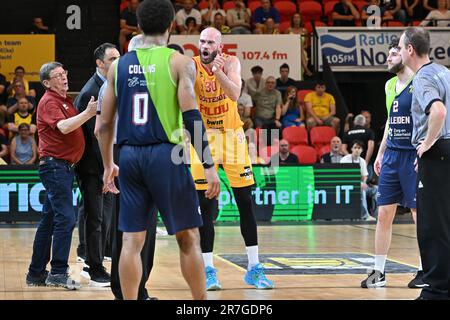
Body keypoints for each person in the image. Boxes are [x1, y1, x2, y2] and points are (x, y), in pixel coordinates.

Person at [97, 0, 220, 300]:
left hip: (129, 157)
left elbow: (103, 125)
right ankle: (200, 304)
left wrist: (108, 164)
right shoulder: (180, 62)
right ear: (170, 26)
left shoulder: (118, 66)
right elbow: (192, 117)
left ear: (138, 27)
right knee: (188, 236)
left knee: (131, 241)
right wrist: (208, 165)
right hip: (166, 155)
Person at [190, 26, 274, 291]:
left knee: (245, 202)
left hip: (232, 135)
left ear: (220, 47)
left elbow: (235, 94)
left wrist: (217, 72)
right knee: (205, 206)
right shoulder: (190, 66)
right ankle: (208, 269)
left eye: (210, 43)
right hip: (202, 136)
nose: (205, 46)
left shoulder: (231, 63)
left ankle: (254, 267)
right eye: (202, 41)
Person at [94, 34, 159, 300]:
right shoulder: (116, 82)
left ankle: (137, 288)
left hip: (138, 155)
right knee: (131, 229)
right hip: (130, 154)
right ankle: (128, 290)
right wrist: (109, 164)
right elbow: (101, 129)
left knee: (144, 228)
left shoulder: (143, 81)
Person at [26, 62, 97, 289]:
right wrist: (88, 113)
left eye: (64, 73)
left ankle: (36, 273)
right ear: (47, 83)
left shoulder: (63, 101)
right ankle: (57, 272)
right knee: (66, 219)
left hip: (62, 168)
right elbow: (65, 127)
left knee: (49, 221)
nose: (64, 78)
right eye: (57, 76)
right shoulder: (48, 101)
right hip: (55, 167)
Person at [361, 38, 423, 289]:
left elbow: (430, 118)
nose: (388, 58)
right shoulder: (388, 85)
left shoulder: (420, 81)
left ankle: (424, 269)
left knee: (421, 216)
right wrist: (381, 153)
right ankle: (379, 271)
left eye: (393, 53)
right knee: (384, 213)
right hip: (393, 156)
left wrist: (424, 150)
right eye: (387, 54)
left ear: (407, 55)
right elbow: (390, 121)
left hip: (413, 155)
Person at [399, 27, 450, 300]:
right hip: (448, 150)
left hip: (438, 151)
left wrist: (427, 146)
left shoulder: (423, 78)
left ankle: (437, 290)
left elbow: (439, 111)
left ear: (410, 49)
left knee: (432, 224)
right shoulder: (445, 72)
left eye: (399, 45)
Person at [74, 43, 120, 287]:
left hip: (107, 165)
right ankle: (94, 267)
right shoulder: (91, 92)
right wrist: (105, 169)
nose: (117, 62)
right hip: (94, 167)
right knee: (96, 218)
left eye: (118, 57)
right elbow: (94, 137)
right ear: (99, 64)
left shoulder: (113, 85)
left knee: (105, 217)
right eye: (112, 59)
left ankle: (99, 256)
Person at [340, 140, 376, 221]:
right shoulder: (345, 160)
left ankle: (376, 214)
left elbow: (365, 175)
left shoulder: (362, 161)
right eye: (355, 147)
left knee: (377, 190)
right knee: (361, 191)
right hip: (347, 186)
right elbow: (342, 176)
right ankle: (365, 216)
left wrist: (363, 183)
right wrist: (358, 184)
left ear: (362, 150)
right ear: (351, 149)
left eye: (359, 148)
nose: (357, 149)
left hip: (360, 185)